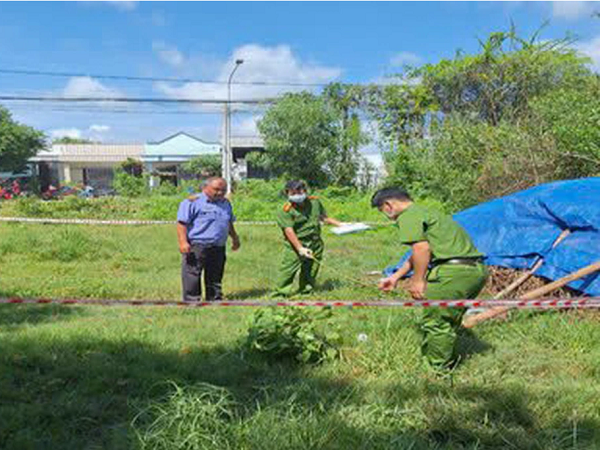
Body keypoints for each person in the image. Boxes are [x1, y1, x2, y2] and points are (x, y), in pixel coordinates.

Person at [372, 187, 488, 370]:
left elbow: (421, 249)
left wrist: (418, 281)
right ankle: (450, 358)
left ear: (388, 205)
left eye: (382, 211)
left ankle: (436, 371)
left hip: (452, 273)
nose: (386, 216)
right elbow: (418, 252)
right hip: (475, 271)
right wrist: (395, 277)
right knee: (450, 320)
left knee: (436, 322)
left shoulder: (407, 216)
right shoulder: (428, 212)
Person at [274, 180, 343, 297]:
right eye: (294, 193)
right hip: (296, 243)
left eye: (300, 191)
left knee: (311, 268)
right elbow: (288, 230)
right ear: (287, 193)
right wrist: (300, 248)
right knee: (288, 270)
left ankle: (306, 291)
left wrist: (340, 224)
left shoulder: (314, 202)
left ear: (305, 191)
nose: (298, 195)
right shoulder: (285, 210)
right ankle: (280, 294)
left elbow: (322, 217)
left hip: (315, 242)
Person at [176, 177, 240, 301]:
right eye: (216, 189)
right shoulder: (192, 202)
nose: (220, 193)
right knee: (192, 274)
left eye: (223, 190)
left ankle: (214, 298)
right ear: (205, 188)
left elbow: (228, 222)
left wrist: (235, 238)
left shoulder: (225, 203)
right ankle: (192, 300)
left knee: (215, 274)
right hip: (197, 245)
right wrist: (183, 242)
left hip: (218, 245)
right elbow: (182, 223)